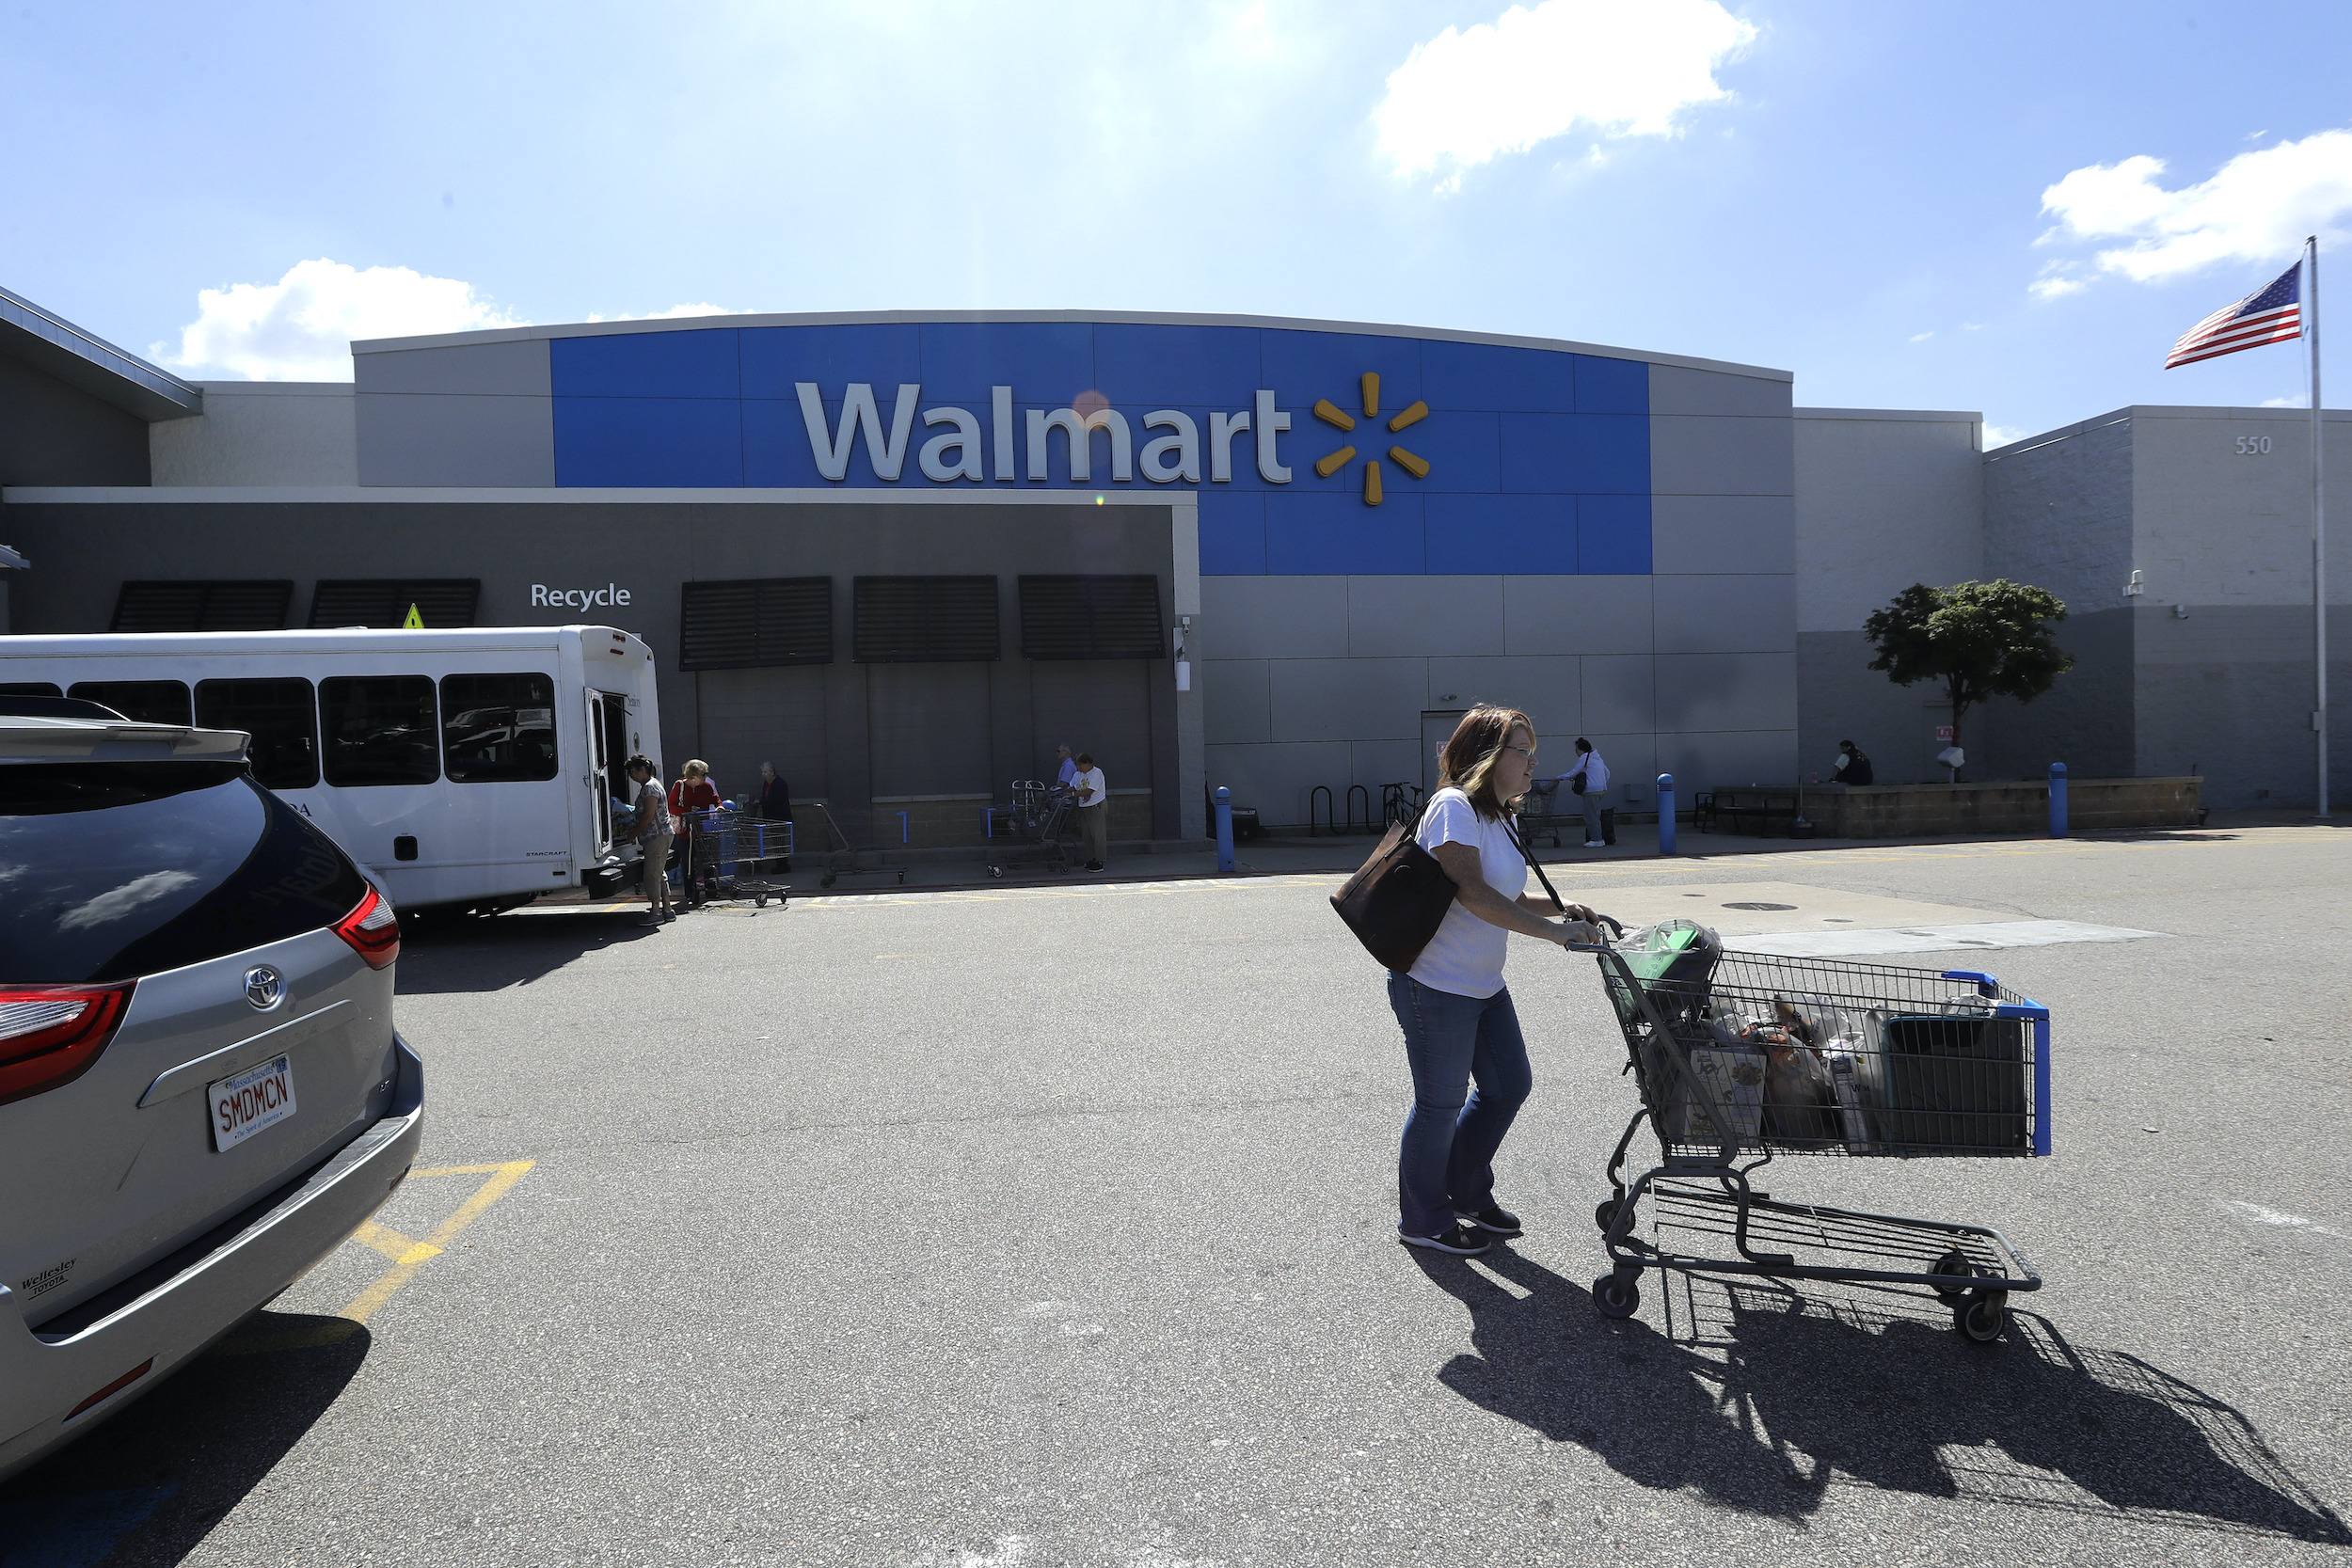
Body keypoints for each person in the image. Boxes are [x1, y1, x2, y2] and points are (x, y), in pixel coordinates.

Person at [1391, 706, 1600, 1257]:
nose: (1534, 762)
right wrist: (1556, 936)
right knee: (1439, 1104)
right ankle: (1423, 1217)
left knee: (1508, 1086)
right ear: (1489, 756)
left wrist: (1560, 908)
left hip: (1482, 983)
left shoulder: (1499, 813)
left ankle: (1464, 1192)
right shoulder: (1453, 807)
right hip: (1435, 983)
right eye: (1523, 751)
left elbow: (1500, 892)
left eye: (1533, 751)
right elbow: (1470, 893)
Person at [620, 754, 675, 926]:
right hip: (661, 835)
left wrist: (634, 833)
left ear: (642, 770)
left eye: (632, 772)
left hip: (656, 836)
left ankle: (656, 912)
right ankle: (667, 909)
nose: (631, 776)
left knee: (651, 873)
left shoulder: (649, 788)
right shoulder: (652, 785)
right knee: (659, 872)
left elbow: (649, 814)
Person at [668, 760, 723, 906]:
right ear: (693, 775)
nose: (705, 777)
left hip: (701, 829)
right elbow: (671, 806)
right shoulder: (679, 786)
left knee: (707, 860)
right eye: (703, 774)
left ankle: (711, 890)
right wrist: (686, 810)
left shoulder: (706, 786)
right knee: (688, 863)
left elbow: (715, 798)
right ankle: (690, 893)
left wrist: (719, 806)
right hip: (686, 830)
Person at [1566, 737, 1610, 848]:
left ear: (1581, 750)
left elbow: (1574, 772)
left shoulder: (1585, 757)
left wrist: (1558, 778)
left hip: (1590, 791)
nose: (1576, 752)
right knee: (1595, 814)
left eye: (1576, 749)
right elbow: (1607, 773)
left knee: (1590, 816)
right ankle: (1598, 838)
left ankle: (1597, 839)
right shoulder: (1598, 758)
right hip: (1601, 790)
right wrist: (1601, 782)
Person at [1070, 751, 1108, 871]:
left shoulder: (1096, 773)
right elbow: (1073, 786)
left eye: (1080, 765)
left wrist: (1073, 794)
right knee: (1087, 835)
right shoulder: (1078, 774)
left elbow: (1089, 790)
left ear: (1088, 763)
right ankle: (1093, 858)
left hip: (1096, 806)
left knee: (1098, 834)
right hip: (1084, 807)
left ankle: (1100, 860)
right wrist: (1061, 791)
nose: (1079, 767)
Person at [756, 760, 792, 873]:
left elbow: (777, 799)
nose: (764, 774)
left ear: (772, 772)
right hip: (770, 817)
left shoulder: (780, 784)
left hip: (779, 816)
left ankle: (783, 865)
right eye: (762, 772)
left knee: (779, 841)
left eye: (766, 772)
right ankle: (780, 864)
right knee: (775, 841)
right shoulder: (766, 784)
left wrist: (762, 802)